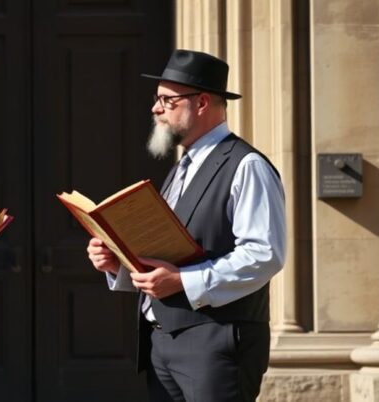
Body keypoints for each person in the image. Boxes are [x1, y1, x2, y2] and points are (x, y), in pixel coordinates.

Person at [86, 49, 286, 401]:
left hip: (216, 343)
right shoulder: (182, 166)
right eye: (156, 98)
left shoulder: (247, 165)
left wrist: (182, 282)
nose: (156, 108)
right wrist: (120, 263)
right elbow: (171, 251)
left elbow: (265, 254)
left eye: (167, 99)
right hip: (161, 342)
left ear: (203, 102)